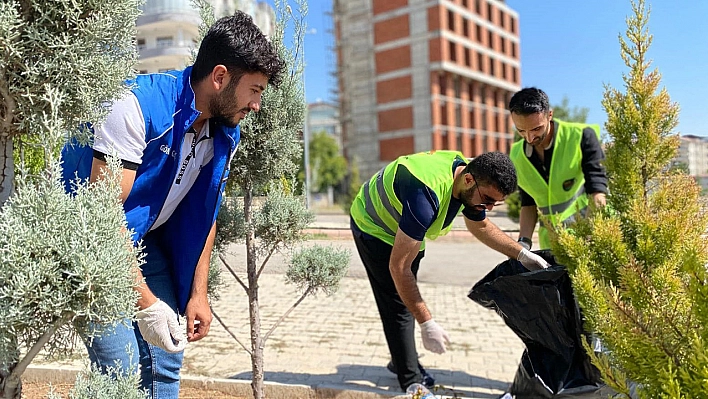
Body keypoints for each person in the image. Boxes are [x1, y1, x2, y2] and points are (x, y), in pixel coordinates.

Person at [60, 12, 284, 398]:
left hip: (145, 241)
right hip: (88, 243)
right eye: (255, 90)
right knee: (121, 370)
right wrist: (147, 304)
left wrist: (199, 294)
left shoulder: (225, 132)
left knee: (167, 359)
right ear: (219, 77)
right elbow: (100, 217)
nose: (257, 104)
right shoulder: (134, 107)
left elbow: (205, 212)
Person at [349, 150, 550, 392]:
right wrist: (427, 323)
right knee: (397, 302)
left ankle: (402, 357)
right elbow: (399, 267)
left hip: (406, 224)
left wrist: (521, 254)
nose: (487, 207)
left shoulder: (468, 178)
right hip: (374, 226)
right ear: (468, 180)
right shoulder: (424, 195)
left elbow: (481, 225)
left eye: (494, 203)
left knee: (406, 296)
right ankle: (410, 378)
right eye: (487, 200)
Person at [508, 87, 608, 251]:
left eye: (536, 129)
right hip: (550, 244)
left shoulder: (581, 137)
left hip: (586, 236)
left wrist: (590, 238)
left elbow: (597, 192)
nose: (529, 137)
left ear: (549, 115)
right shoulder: (517, 155)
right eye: (521, 130)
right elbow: (528, 203)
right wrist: (523, 243)